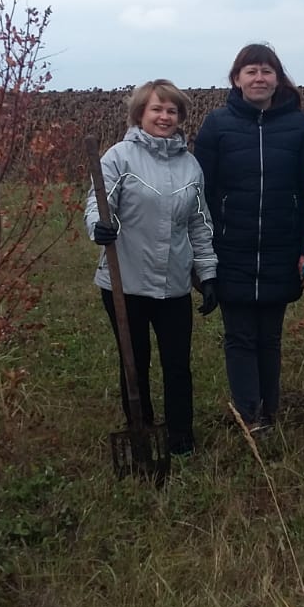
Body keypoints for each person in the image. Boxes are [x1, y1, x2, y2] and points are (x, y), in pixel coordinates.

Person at [85, 80, 218, 456]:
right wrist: (99, 225)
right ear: (140, 114)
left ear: (180, 118)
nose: (164, 117)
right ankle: (140, 429)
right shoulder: (118, 157)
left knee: (178, 363)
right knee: (134, 359)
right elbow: (99, 200)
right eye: (157, 109)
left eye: (172, 111)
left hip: (174, 282)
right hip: (124, 280)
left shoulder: (190, 165)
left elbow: (199, 223)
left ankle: (180, 437)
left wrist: (207, 274)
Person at [193, 44, 304, 431]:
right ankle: (250, 416)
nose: (259, 78)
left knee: (270, 337)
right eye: (251, 71)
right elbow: (203, 191)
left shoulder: (298, 126)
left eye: (266, 71)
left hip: (281, 246)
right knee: (240, 335)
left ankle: (271, 409)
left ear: (277, 78)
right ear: (237, 79)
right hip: (231, 246)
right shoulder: (217, 125)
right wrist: (206, 251)